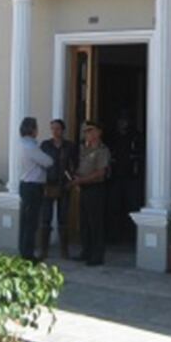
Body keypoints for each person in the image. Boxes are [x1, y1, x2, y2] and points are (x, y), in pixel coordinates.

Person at [67, 120, 110, 266]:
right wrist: (75, 177)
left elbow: (100, 173)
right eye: (86, 131)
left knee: (95, 223)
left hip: (95, 189)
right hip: (83, 189)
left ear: (98, 132)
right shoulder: (83, 149)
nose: (88, 134)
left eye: (91, 130)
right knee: (84, 222)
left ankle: (97, 255)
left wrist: (81, 180)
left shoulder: (102, 150)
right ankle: (86, 251)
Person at [37, 118, 78, 259]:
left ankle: (64, 251)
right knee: (46, 219)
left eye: (58, 128)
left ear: (63, 130)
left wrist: (71, 180)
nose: (55, 131)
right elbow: (40, 164)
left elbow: (75, 164)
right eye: (53, 128)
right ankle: (44, 250)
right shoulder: (45, 145)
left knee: (63, 219)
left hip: (64, 185)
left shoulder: (69, 146)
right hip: (48, 184)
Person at [17, 116, 53, 262]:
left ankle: (24, 251)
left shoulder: (21, 144)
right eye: (36, 127)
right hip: (32, 186)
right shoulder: (30, 146)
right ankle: (28, 255)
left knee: (26, 221)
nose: (37, 130)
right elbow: (48, 161)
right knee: (31, 222)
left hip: (26, 185)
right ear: (32, 129)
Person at [106, 113, 145, 244]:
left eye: (125, 120)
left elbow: (140, 155)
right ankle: (113, 237)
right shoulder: (113, 137)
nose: (122, 123)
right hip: (116, 178)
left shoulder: (136, 137)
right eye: (120, 121)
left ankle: (132, 238)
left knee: (132, 207)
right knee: (113, 207)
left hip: (131, 178)